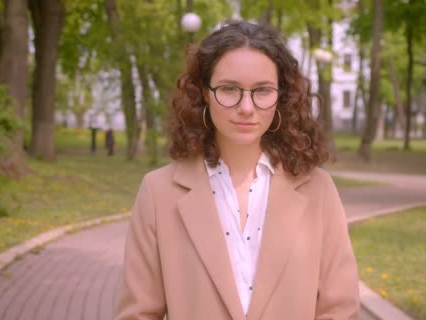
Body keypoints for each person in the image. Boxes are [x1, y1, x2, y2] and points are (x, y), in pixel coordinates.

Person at [115, 21, 359, 320]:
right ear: (205, 92)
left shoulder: (318, 190)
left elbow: (339, 310)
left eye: (262, 90)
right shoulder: (158, 192)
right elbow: (138, 314)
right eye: (229, 89)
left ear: (281, 96)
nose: (246, 106)